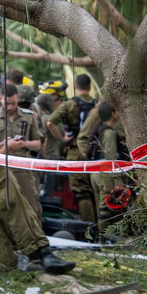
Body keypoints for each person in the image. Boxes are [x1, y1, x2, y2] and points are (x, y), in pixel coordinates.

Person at [0, 92, 75, 274]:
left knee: (27, 215)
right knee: (19, 219)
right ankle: (36, 255)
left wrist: (1, 144)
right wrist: (8, 148)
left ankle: (43, 253)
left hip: (3, 180)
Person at [47, 74, 98, 224]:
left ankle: (88, 228)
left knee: (81, 192)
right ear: (89, 87)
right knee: (94, 190)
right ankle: (101, 227)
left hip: (75, 152)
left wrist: (62, 139)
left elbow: (50, 123)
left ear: (75, 87)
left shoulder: (69, 105)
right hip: (95, 152)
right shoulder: (97, 105)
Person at [0, 83, 43, 220]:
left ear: (18, 99)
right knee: (5, 206)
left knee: (32, 205)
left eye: (14, 103)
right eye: (7, 103)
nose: (10, 107)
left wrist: (23, 144)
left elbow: (38, 143)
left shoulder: (28, 116)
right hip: (1, 167)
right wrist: (5, 145)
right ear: (0, 98)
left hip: (22, 168)